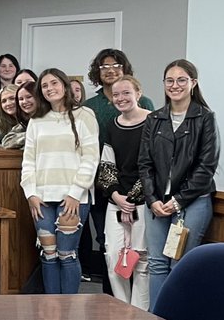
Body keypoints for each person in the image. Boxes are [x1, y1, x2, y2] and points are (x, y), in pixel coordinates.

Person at [142, 59, 219, 309]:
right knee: (156, 263)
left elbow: (206, 167)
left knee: (178, 263)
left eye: (181, 80)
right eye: (170, 80)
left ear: (193, 83)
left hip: (191, 202)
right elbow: (144, 164)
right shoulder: (154, 119)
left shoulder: (205, 118)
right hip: (156, 205)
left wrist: (177, 201)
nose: (175, 85)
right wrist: (153, 200)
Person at [21, 68, 100, 295]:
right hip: (42, 199)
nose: (49, 89)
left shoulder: (85, 115)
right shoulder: (36, 120)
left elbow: (91, 157)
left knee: (67, 254)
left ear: (64, 86)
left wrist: (75, 193)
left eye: (54, 83)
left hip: (73, 198)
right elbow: (28, 160)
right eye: (44, 86)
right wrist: (30, 194)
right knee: (48, 254)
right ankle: (51, 308)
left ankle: (70, 310)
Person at [96, 75, 151, 310]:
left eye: (126, 93)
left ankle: (140, 312)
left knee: (142, 260)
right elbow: (106, 166)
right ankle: (122, 310)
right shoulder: (112, 125)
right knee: (113, 256)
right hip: (117, 202)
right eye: (116, 94)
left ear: (138, 94)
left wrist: (133, 199)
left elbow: (154, 167)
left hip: (144, 202)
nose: (121, 98)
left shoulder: (154, 122)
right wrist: (117, 196)